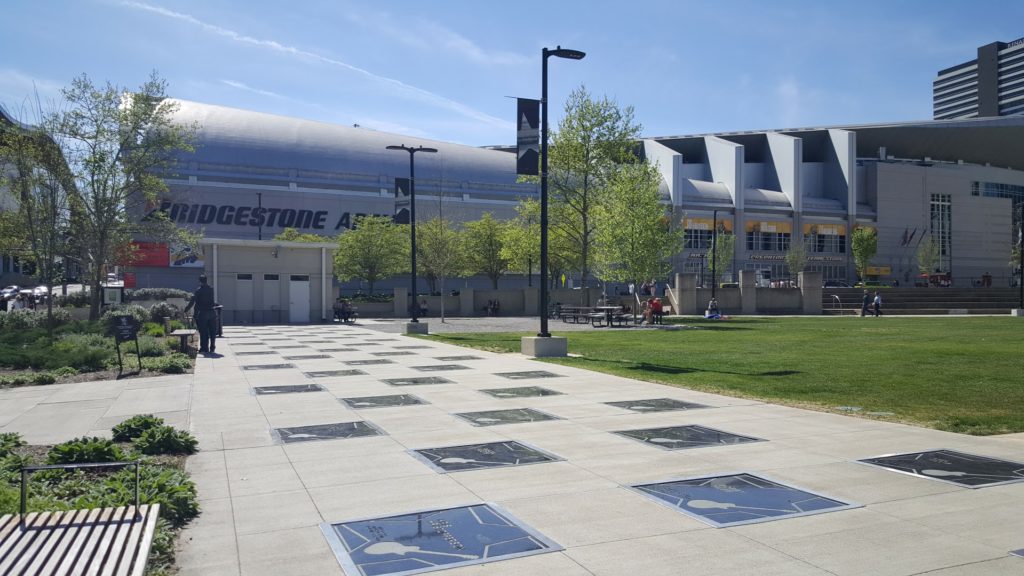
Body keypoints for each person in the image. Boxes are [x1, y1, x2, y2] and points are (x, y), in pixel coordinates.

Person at [183, 274, 217, 354]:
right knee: (212, 331)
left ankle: (204, 348)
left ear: (200, 281)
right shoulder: (211, 289)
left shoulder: (198, 290)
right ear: (206, 280)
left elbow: (193, 301)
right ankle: (212, 347)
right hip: (212, 312)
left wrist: (186, 309)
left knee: (203, 332)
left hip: (203, 313)